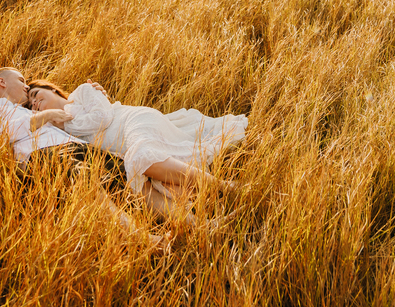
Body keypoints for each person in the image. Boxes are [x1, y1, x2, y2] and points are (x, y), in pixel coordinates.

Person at [27, 79, 246, 221]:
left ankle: (225, 188)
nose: (35, 102)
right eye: (30, 105)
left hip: (132, 122)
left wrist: (64, 122)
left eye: (36, 94)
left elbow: (103, 118)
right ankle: (201, 224)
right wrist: (55, 123)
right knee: (140, 182)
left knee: (142, 156)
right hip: (124, 148)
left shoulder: (82, 92)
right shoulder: (56, 130)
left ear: (51, 88)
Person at [0, 67, 155, 241]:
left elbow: (82, 117)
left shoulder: (31, 109)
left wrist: (99, 95)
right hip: (46, 152)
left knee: (128, 178)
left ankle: (175, 219)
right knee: (84, 180)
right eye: (21, 80)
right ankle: (141, 236)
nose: (26, 86)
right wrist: (44, 116)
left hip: (80, 147)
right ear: (2, 82)